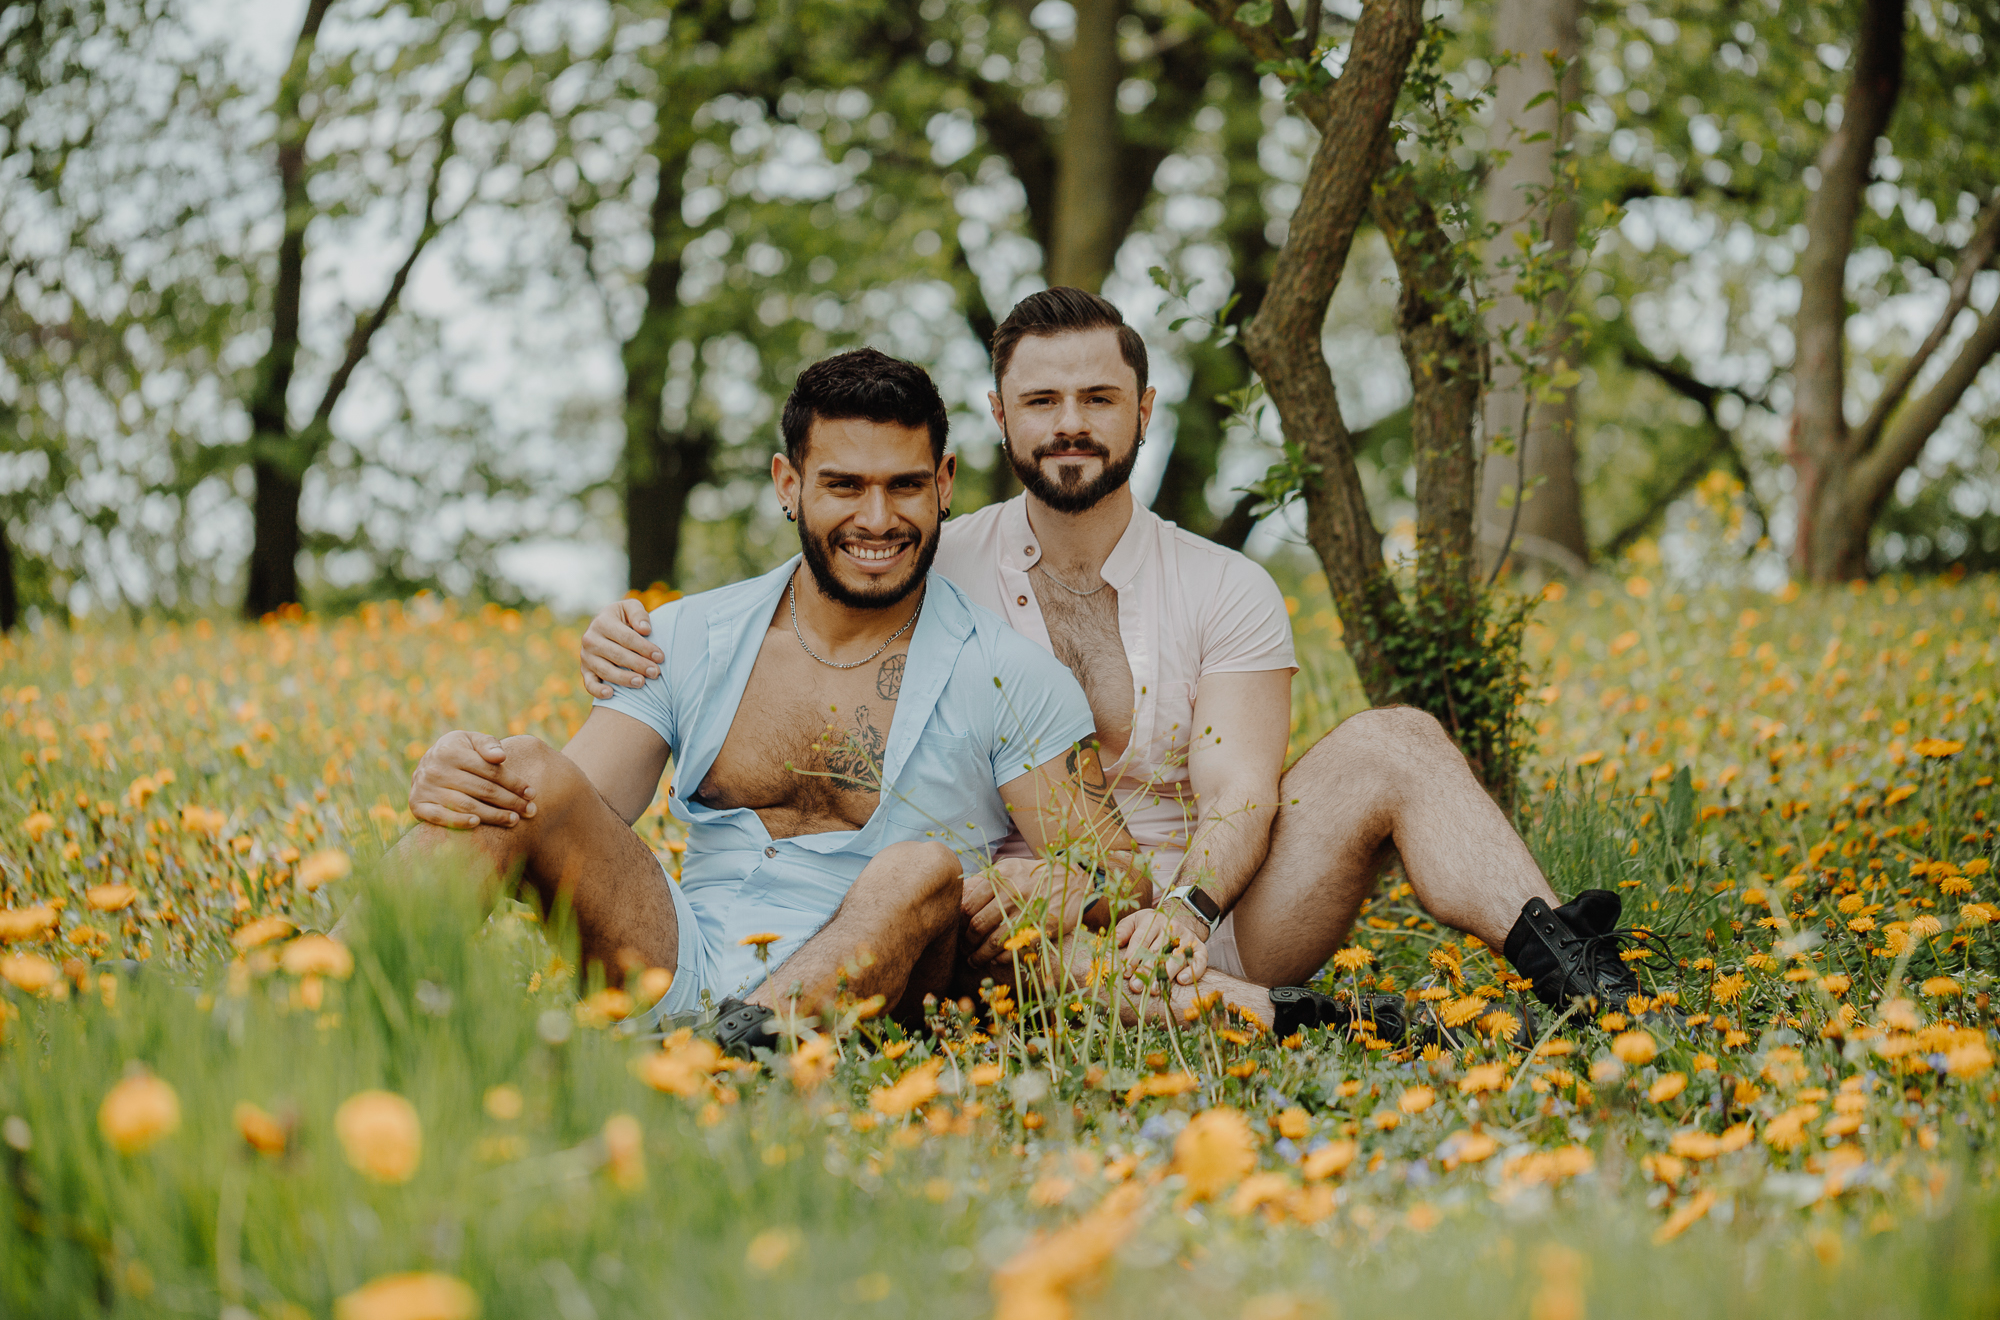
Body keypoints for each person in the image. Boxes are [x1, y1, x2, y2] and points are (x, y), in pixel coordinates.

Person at [578, 291, 1651, 1041]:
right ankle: (1278, 1023)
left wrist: (1181, 911)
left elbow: (1237, 794)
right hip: (1019, 927)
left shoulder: (1222, 585)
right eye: (1041, 402)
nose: (1070, 425)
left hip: (1219, 908)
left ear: (1143, 410)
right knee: (986, 908)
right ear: (999, 422)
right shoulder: (921, 545)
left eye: (1098, 398)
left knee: (1396, 738)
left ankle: (1571, 967)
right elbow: (808, 584)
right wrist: (627, 636)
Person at [391, 348, 1151, 1054]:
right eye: (845, 486)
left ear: (944, 483)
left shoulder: (1009, 673)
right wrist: (462, 775)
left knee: (919, 867)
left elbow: (1125, 875)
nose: (878, 519)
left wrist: (1070, 881)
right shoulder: (686, 634)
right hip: (675, 953)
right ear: (790, 485)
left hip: (872, 994)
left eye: (905, 485)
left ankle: (733, 1058)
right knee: (517, 769)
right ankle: (330, 1004)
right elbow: (567, 802)